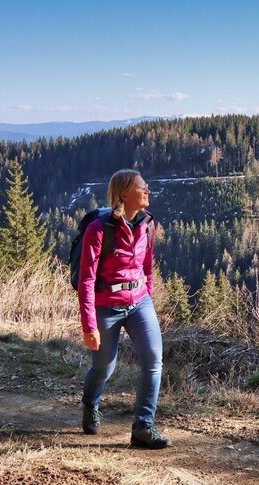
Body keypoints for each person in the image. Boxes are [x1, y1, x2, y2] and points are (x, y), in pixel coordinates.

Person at [77, 169, 169, 449]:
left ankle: (143, 427)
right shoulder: (99, 229)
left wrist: (148, 300)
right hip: (107, 306)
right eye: (142, 187)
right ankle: (90, 404)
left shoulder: (148, 223)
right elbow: (87, 281)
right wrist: (89, 325)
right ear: (125, 193)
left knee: (153, 362)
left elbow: (146, 267)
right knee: (104, 367)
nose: (148, 191)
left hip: (140, 302)